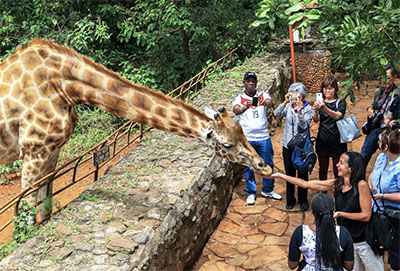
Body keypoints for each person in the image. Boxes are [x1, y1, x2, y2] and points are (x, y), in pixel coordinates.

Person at [271, 152, 384, 271]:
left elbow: (366, 215)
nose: (336, 165)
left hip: (364, 241)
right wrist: (280, 176)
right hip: (347, 240)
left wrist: (340, 214)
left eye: (341, 163)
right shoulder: (337, 184)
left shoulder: (362, 185)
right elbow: (306, 184)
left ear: (350, 168)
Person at [232, 71, 281, 205]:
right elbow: (235, 110)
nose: (251, 83)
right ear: (244, 82)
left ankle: (268, 189)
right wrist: (244, 107)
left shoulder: (262, 94)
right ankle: (251, 192)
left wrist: (265, 102)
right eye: (248, 81)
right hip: (247, 138)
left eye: (253, 81)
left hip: (263, 136)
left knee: (268, 163)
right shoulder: (239, 97)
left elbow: (270, 102)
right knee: (249, 165)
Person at [274, 82, 314, 211]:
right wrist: (284, 102)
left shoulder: (308, 109)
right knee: (289, 173)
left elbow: (304, 125)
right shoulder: (289, 107)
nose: (296, 98)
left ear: (302, 96)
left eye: (298, 95)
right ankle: (290, 199)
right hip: (287, 144)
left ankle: (303, 200)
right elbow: (277, 114)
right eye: (293, 94)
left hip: (301, 146)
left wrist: (300, 112)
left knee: (302, 173)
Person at [288, 193, 354, 271]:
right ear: (333, 212)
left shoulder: (300, 232)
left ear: (313, 212)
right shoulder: (343, 233)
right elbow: (349, 266)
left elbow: (292, 265)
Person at [369, 128, 400, 271]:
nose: (378, 143)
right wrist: (370, 182)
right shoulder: (381, 157)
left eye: (380, 141)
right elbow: (373, 173)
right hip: (377, 212)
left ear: (386, 146)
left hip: (394, 215)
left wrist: (383, 196)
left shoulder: (398, 168)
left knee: (395, 252)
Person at [361, 64, 400, 165]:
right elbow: (373, 105)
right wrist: (370, 109)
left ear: (395, 77)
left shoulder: (397, 93)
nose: (385, 81)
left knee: (388, 161)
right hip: (374, 128)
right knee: (363, 157)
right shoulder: (379, 91)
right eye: (382, 77)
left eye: (388, 78)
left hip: (388, 132)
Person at [313, 76, 347, 180]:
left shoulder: (340, 102)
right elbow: (316, 120)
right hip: (323, 139)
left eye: (330, 88)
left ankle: (339, 193)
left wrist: (325, 108)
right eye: (325, 88)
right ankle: (323, 193)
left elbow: (338, 115)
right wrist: (315, 110)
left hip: (337, 140)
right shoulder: (320, 102)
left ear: (335, 89)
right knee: (323, 169)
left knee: (338, 170)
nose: (327, 91)